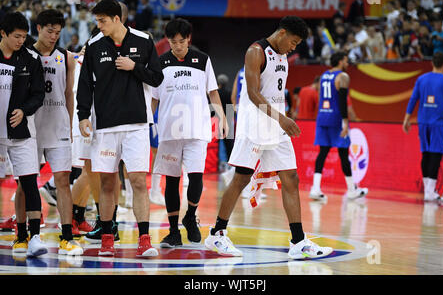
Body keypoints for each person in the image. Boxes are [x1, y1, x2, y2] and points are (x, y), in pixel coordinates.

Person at [204, 16, 333, 259]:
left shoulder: (283, 55)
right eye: (293, 42)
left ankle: (298, 241)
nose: (294, 47)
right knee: (241, 178)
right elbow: (252, 94)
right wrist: (281, 118)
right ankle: (217, 234)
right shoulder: (256, 51)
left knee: (291, 177)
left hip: (275, 124)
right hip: (254, 124)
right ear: (282, 33)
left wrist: (282, 118)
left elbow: (274, 92)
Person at [77, 0, 164, 257]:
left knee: (138, 181)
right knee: (107, 183)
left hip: (137, 123)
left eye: (102, 21)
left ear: (117, 19)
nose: (99, 26)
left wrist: (134, 66)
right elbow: (85, 85)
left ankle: (145, 239)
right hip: (105, 125)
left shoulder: (144, 40)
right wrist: (83, 116)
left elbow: (157, 77)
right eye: (97, 21)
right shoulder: (93, 46)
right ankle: (106, 238)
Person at [152, 18, 228, 248]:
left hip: (197, 129)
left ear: (189, 39)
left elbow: (213, 93)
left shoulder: (203, 60)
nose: (177, 45)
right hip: (169, 130)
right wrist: (146, 123)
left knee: (196, 177)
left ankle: (190, 215)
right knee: (172, 181)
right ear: (168, 41)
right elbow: (153, 99)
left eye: (181, 41)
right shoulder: (160, 62)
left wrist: (223, 118)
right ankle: (173, 230)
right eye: (173, 41)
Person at [25, 9, 83, 255]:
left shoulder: (65, 56)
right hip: (31, 125)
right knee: (25, 183)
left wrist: (70, 124)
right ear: (38, 28)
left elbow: (69, 93)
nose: (54, 36)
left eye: (58, 33)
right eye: (50, 31)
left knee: (62, 181)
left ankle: (67, 236)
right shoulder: (25, 55)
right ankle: (24, 235)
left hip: (58, 123)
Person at [0, 12, 47, 256]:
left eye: (23, 36)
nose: (21, 41)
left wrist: (23, 110)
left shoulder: (31, 58)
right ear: (3, 34)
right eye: (16, 36)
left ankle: (34, 237)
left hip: (21, 130)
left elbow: (39, 94)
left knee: (29, 182)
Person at [309, 52, 368, 202]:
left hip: (322, 117)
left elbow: (322, 96)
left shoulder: (323, 75)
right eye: (346, 61)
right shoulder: (343, 77)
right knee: (343, 154)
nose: (348, 64)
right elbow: (342, 101)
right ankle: (351, 190)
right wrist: (346, 122)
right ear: (341, 61)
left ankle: (315, 188)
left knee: (322, 153)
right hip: (336, 119)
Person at [403, 52, 443, 202]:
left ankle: (428, 190)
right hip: (438, 123)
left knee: (426, 154)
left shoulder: (421, 79)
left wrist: (406, 118)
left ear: (431, 63)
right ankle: (430, 191)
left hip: (423, 122)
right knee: (436, 154)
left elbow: (413, 98)